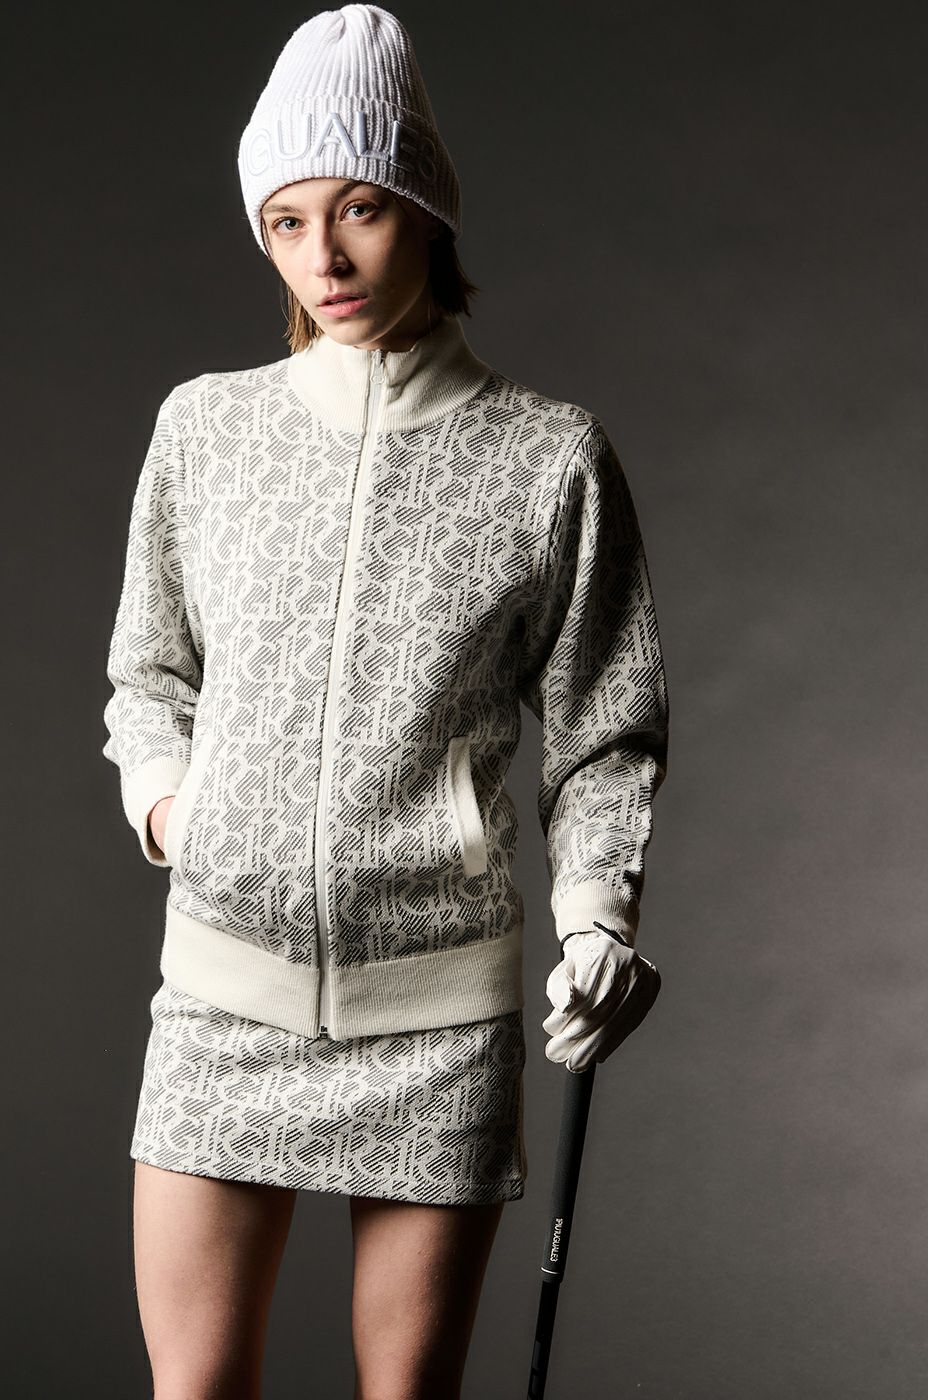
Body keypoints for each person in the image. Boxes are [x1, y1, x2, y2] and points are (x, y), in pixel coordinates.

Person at [99, 6, 668, 1397]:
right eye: (287, 223)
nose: (326, 258)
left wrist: (598, 919)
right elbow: (149, 672)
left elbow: (605, 728)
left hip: (438, 1017)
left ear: (426, 207)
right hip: (221, 995)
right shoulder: (205, 431)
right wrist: (177, 809)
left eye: (359, 209)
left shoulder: (549, 459)